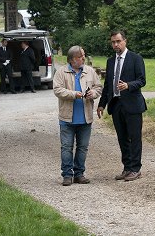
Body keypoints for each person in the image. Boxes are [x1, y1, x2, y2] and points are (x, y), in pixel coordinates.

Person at [97, 31, 147, 181]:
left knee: (134, 137)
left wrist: (128, 85)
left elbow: (142, 80)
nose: (115, 45)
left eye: (118, 41)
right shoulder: (110, 61)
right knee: (122, 138)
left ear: (125, 41)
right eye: (113, 42)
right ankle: (127, 167)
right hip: (116, 104)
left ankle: (136, 168)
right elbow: (107, 85)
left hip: (132, 104)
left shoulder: (135, 58)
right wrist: (101, 104)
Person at [53, 46, 102, 186]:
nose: (84, 58)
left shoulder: (90, 71)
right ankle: (67, 175)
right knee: (66, 147)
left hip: (85, 117)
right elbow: (57, 90)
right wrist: (74, 94)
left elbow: (98, 87)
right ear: (73, 59)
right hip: (67, 118)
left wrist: (93, 93)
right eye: (81, 56)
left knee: (82, 147)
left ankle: (79, 174)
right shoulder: (61, 72)